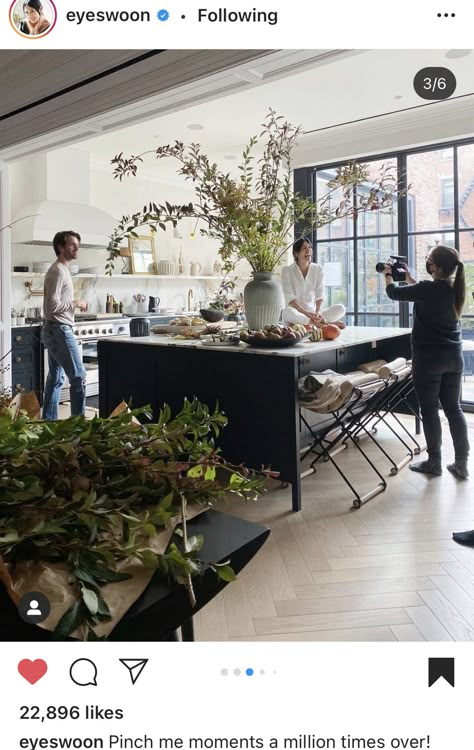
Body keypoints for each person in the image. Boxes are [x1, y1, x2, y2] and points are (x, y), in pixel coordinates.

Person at [384, 244, 469, 479]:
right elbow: (425, 292)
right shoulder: (455, 287)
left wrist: (388, 275)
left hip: (429, 359)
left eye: (428, 259)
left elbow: (393, 293)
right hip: (454, 358)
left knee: (430, 409)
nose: (426, 261)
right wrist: (409, 276)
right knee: (454, 409)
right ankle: (461, 463)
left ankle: (434, 462)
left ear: (436, 267)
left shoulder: (427, 289)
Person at [42, 231, 88, 420]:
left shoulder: (63, 269)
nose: (77, 248)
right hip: (59, 329)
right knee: (78, 378)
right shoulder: (58, 271)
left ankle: (48, 423)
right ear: (61, 247)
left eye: (77, 244)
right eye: (72, 244)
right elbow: (52, 306)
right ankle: (79, 425)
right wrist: (77, 303)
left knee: (56, 378)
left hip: (55, 329)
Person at [281, 238, 346, 327]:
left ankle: (310, 324)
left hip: (313, 314)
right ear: (296, 253)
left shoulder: (318, 269)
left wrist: (318, 312)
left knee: (341, 309)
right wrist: (306, 313)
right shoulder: (287, 271)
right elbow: (290, 298)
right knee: (287, 312)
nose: (308, 251)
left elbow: (320, 294)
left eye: (310, 247)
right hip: (297, 313)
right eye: (304, 248)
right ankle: (324, 325)